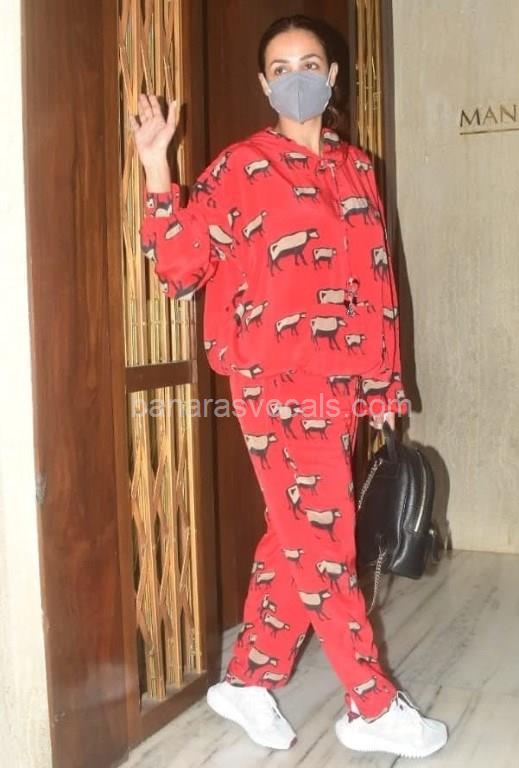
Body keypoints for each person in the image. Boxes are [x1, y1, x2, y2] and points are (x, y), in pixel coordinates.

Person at [130, 12, 448, 759]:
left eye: (310, 65)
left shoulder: (358, 167)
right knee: (326, 537)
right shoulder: (240, 167)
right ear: (263, 84)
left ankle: (248, 678)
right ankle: (369, 702)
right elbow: (179, 267)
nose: (296, 78)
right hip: (274, 383)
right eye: (281, 69)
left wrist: (381, 385)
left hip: (341, 384)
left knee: (297, 533)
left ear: (331, 77)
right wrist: (156, 170)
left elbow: (376, 282)